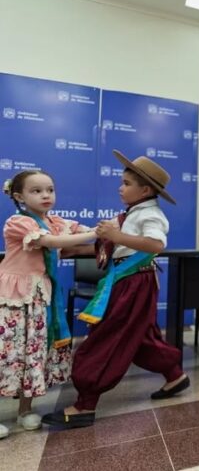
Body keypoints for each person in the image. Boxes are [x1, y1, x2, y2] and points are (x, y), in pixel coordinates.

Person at [43, 152, 189, 429]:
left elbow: (156, 245)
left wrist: (116, 235)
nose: (120, 188)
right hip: (131, 281)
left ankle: (85, 404)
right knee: (140, 337)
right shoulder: (133, 213)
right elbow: (118, 248)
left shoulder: (151, 214)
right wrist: (74, 250)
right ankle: (175, 374)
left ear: (145, 190)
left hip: (133, 283)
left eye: (126, 183)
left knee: (108, 335)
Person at [0, 171, 96, 439]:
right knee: (7, 353)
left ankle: (25, 410)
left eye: (50, 190)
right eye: (36, 191)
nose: (46, 195)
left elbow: (80, 231)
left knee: (33, 352)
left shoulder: (54, 221)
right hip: (12, 299)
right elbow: (51, 242)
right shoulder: (18, 222)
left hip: (39, 298)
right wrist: (96, 233)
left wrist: (112, 228)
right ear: (19, 196)